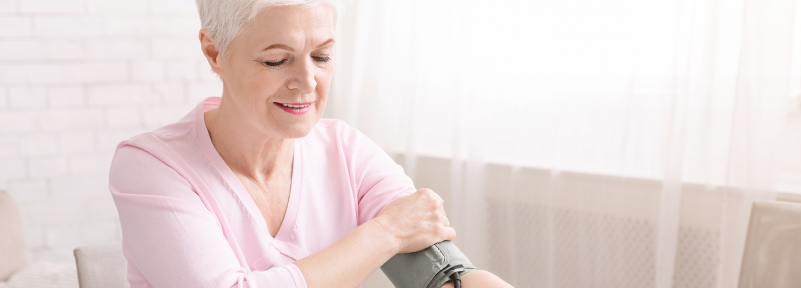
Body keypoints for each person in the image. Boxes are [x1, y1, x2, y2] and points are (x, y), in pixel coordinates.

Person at [109, 0, 512, 287]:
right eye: (276, 60)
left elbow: (440, 274)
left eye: (321, 57)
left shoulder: (348, 152)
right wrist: (384, 233)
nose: (307, 82)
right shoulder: (150, 166)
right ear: (214, 52)